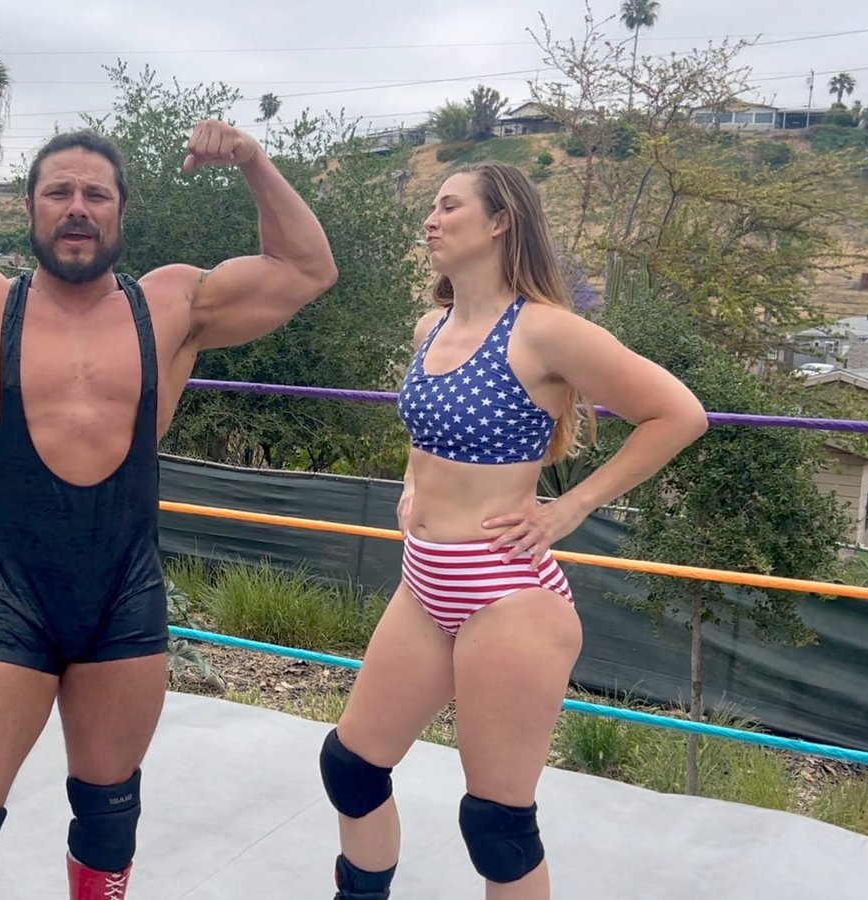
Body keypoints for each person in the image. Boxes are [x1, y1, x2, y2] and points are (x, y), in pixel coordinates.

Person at [0, 118, 337, 900]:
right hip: (15, 599)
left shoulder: (173, 305)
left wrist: (253, 160)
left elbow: (306, 269)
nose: (77, 206)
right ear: (32, 208)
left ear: (120, 211)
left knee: (110, 816)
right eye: (59, 192)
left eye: (95, 194)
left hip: (123, 600)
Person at [317, 161, 707, 900]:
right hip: (424, 584)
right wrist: (412, 485)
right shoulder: (430, 325)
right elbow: (427, 433)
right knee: (351, 767)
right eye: (432, 207)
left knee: (497, 826)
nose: (431, 220)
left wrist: (572, 507)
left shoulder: (545, 331)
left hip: (506, 596)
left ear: (500, 221)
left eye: (449, 206)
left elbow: (679, 413)